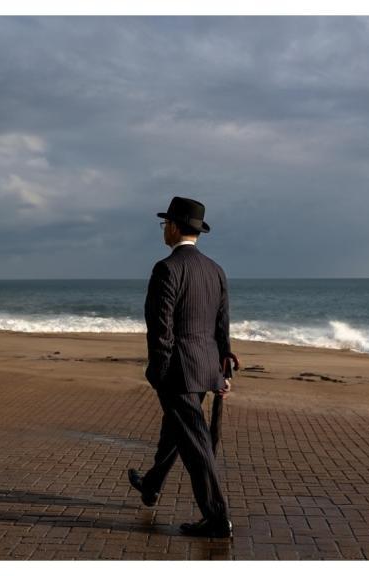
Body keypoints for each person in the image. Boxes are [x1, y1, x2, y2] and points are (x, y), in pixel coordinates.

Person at [128, 196, 235, 538]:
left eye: (165, 224)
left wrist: (158, 372)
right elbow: (222, 326)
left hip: (178, 370)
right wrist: (223, 371)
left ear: (174, 227)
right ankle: (151, 484)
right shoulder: (216, 270)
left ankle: (217, 519)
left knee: (196, 444)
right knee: (176, 431)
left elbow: (162, 329)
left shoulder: (167, 269)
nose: (164, 230)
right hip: (205, 368)